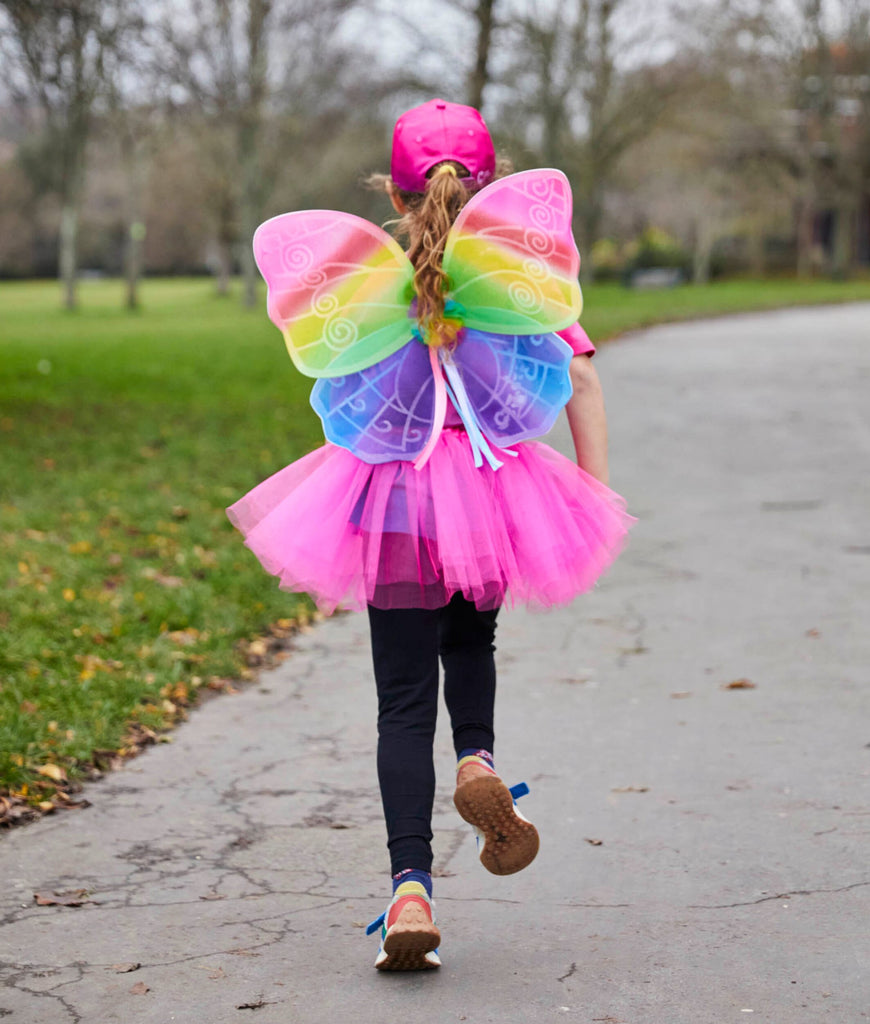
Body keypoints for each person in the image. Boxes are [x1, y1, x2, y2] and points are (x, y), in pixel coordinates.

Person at [227, 98, 633, 971]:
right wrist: (590, 494)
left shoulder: (363, 278)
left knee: (402, 699)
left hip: (395, 501)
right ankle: (479, 761)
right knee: (471, 642)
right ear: (487, 182)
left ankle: (410, 889)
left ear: (395, 191)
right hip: (494, 494)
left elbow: (346, 387)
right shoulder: (519, 273)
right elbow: (584, 382)